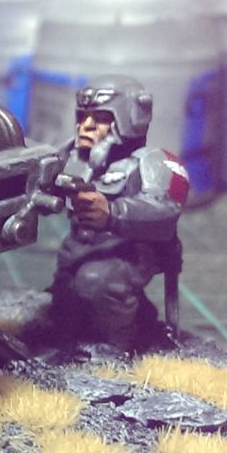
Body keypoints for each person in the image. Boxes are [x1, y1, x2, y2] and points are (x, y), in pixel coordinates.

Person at [51, 76, 190, 349]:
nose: (85, 126)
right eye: (83, 116)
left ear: (127, 120)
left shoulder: (152, 162)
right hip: (79, 249)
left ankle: (118, 346)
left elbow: (166, 210)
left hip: (131, 253)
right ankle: (101, 331)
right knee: (66, 294)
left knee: (96, 282)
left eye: (101, 118)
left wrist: (114, 212)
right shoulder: (74, 158)